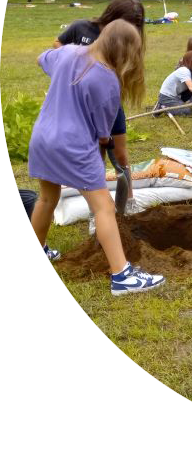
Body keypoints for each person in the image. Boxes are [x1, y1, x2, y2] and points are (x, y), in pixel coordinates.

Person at [29, 20, 165, 295]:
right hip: (74, 146)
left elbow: (42, 58)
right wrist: (106, 142)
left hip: (43, 138)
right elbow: (103, 134)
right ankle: (122, 276)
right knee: (103, 207)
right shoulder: (107, 79)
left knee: (47, 198)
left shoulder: (68, 53)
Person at [54, 0, 145, 199]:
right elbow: (57, 45)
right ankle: (97, 208)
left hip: (110, 104)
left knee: (121, 155)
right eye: (129, 23)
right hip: (84, 107)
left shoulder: (125, 38)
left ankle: (128, 200)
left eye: (136, 25)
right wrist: (79, 59)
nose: (131, 29)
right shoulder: (82, 27)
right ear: (113, 16)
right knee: (96, 156)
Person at [154, 50, 192, 115]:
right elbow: (191, 87)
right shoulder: (184, 70)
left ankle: (171, 105)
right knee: (186, 112)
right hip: (167, 96)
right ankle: (162, 106)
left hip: (176, 96)